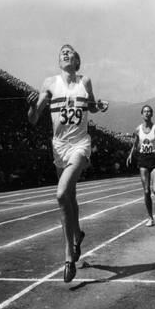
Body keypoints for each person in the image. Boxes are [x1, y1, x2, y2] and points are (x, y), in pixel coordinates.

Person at [27, 44, 109, 282]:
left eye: (69, 51)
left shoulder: (86, 82)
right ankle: (78, 235)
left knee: (62, 194)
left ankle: (68, 255)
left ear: (76, 60)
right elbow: (33, 119)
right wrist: (33, 107)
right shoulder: (50, 83)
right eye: (61, 52)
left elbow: (91, 105)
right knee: (70, 197)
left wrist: (99, 106)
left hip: (80, 144)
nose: (64, 53)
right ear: (59, 61)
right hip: (59, 147)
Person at [126, 105, 155, 226]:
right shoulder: (138, 129)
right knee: (146, 191)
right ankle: (150, 217)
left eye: (149, 111)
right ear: (141, 114)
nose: (147, 113)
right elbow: (135, 144)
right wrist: (130, 155)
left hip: (154, 159)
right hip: (143, 159)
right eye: (145, 111)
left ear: (152, 114)